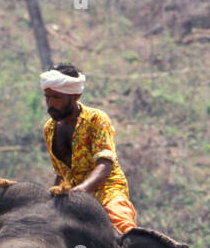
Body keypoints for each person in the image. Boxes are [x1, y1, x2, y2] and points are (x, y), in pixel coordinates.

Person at [40, 63, 137, 234]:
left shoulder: (95, 119)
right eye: (47, 97)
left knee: (125, 230)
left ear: (75, 95)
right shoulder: (49, 129)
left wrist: (82, 190)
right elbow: (60, 174)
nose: (50, 103)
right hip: (72, 200)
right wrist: (52, 199)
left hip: (106, 192)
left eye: (56, 97)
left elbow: (105, 163)